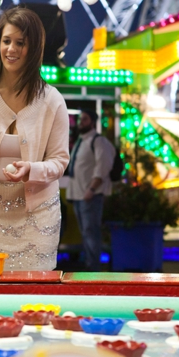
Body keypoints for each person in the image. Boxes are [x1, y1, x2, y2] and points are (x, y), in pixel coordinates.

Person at [0, 6, 70, 271]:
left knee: (35, 291)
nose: (11, 49)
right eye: (6, 41)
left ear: (35, 48)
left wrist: (31, 170)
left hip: (39, 216)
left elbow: (59, 161)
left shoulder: (52, 100)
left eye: (21, 43)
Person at [65, 108, 116, 272]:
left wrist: (92, 189)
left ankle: (94, 269)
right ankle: (89, 265)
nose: (81, 122)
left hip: (90, 195)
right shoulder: (81, 141)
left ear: (92, 122)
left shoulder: (98, 141)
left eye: (85, 119)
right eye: (80, 119)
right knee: (85, 233)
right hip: (78, 195)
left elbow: (103, 167)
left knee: (91, 232)